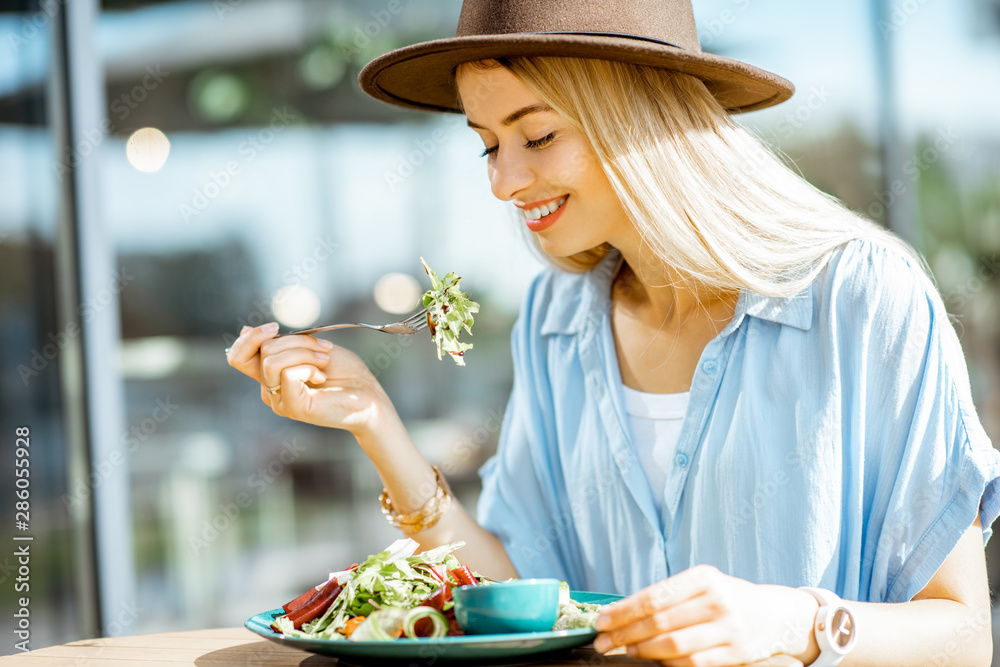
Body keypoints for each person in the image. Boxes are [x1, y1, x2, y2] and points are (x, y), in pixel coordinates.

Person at [227, 1, 1000, 665]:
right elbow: (519, 599)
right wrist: (374, 423)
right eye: (489, 143)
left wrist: (792, 624)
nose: (502, 180)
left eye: (536, 136)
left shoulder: (861, 296)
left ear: (636, 118)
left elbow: (964, 637)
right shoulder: (555, 320)